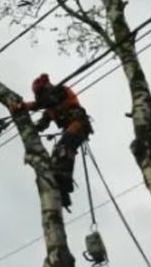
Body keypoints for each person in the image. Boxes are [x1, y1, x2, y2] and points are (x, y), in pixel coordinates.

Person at [9, 73, 93, 209]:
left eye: (41, 92)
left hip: (79, 124)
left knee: (63, 147)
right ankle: (63, 192)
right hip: (72, 129)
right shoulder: (49, 109)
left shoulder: (60, 91)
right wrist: (33, 128)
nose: (41, 95)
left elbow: (39, 104)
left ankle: (64, 177)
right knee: (55, 158)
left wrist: (22, 106)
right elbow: (42, 123)